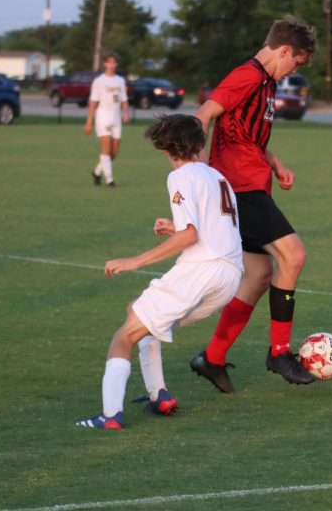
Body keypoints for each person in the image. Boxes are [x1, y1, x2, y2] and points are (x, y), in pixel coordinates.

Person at [75, 114, 243, 430]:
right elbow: (211, 231)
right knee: (145, 321)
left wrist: (134, 261)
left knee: (123, 336)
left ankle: (110, 417)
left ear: (167, 150)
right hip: (230, 276)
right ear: (199, 145)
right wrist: (174, 228)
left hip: (200, 272)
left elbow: (190, 235)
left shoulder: (180, 177)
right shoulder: (218, 179)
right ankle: (159, 395)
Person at [188, 16, 318, 393]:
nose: (294, 71)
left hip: (252, 182)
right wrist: (198, 178)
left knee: (260, 274)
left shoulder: (264, 83)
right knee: (293, 256)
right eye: (296, 63)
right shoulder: (247, 75)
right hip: (239, 187)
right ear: (284, 51)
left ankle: (212, 358)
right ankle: (279, 352)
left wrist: (275, 163)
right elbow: (203, 117)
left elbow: (246, 135)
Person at [84, 52, 130, 188]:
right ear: (104, 63)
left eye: (114, 62)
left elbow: (124, 100)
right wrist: (89, 121)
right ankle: (110, 180)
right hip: (103, 117)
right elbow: (93, 102)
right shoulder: (99, 81)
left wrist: (126, 113)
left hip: (116, 119)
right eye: (109, 62)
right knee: (106, 150)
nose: (111, 65)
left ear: (116, 64)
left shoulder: (120, 81)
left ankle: (97, 172)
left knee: (114, 153)